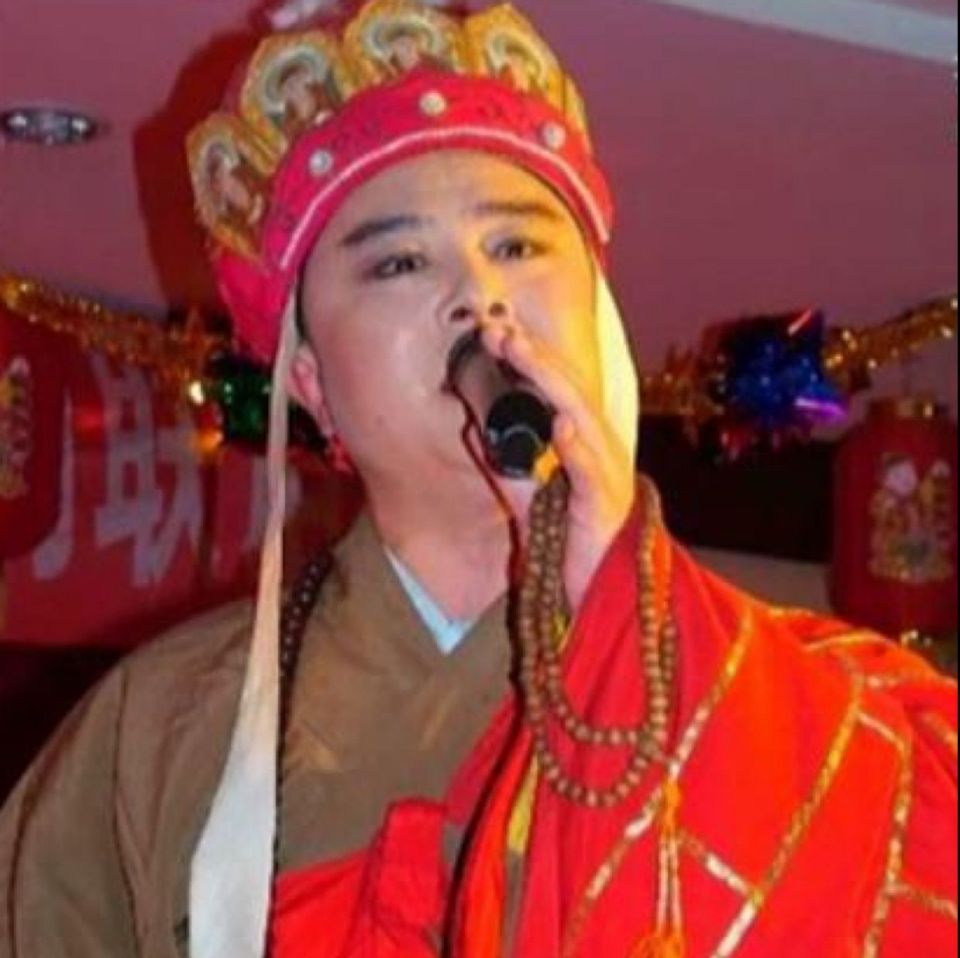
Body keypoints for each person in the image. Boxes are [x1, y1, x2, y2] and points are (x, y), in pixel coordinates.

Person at [1, 1, 956, 957]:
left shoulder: (841, 708)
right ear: (311, 382)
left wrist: (622, 612)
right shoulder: (162, 728)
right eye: (400, 262)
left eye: (517, 247)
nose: (478, 298)